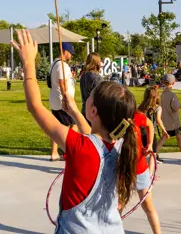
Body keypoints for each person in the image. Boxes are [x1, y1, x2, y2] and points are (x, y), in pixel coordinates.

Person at [12, 30, 138, 233]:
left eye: (90, 97)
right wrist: (75, 112)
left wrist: (28, 63)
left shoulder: (79, 146)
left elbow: (35, 106)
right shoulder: (123, 146)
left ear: (93, 110)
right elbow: (96, 139)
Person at [133, 111, 161, 234]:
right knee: (117, 206)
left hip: (139, 168)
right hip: (121, 170)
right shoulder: (109, 116)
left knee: (148, 205)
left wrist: (150, 144)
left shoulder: (136, 115)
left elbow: (149, 124)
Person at [48, 42, 76, 161]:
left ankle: (54, 152)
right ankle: (69, 151)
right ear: (64, 52)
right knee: (74, 124)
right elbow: (62, 82)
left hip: (55, 99)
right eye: (70, 53)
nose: (71, 56)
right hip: (62, 101)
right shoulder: (62, 66)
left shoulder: (54, 63)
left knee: (56, 126)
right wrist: (66, 98)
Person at [138, 86, 169, 163]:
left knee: (142, 152)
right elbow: (158, 120)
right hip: (151, 133)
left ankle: (141, 169)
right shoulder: (158, 108)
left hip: (140, 131)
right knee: (153, 154)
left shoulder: (140, 107)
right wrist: (164, 130)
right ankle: (151, 173)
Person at [160, 74, 181, 160]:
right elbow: (175, 107)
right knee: (179, 138)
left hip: (165, 121)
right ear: (173, 83)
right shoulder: (172, 95)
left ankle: (155, 154)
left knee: (163, 138)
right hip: (174, 122)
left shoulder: (162, 94)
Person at [79, 53, 103, 121]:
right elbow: (101, 96)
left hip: (85, 110)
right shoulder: (97, 78)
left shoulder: (83, 76)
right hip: (94, 112)